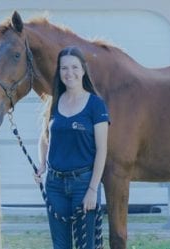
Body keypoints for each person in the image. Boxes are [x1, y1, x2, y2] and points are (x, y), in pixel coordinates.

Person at [36, 46, 110, 249]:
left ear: (83, 70)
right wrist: (42, 165)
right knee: (61, 246)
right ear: (59, 72)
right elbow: (44, 138)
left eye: (74, 67)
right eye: (64, 68)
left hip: (83, 184)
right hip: (54, 185)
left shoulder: (96, 105)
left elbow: (102, 150)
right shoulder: (54, 102)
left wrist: (93, 189)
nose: (69, 73)